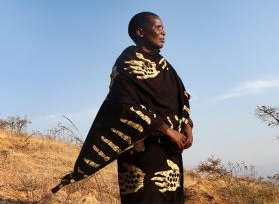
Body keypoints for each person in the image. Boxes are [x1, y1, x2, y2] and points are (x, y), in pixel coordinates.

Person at [51, 12, 193, 204]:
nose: (164, 32)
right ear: (141, 32)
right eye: (158, 27)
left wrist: (187, 126)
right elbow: (123, 104)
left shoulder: (165, 65)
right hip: (142, 152)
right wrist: (166, 130)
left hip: (170, 151)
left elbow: (182, 96)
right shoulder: (127, 62)